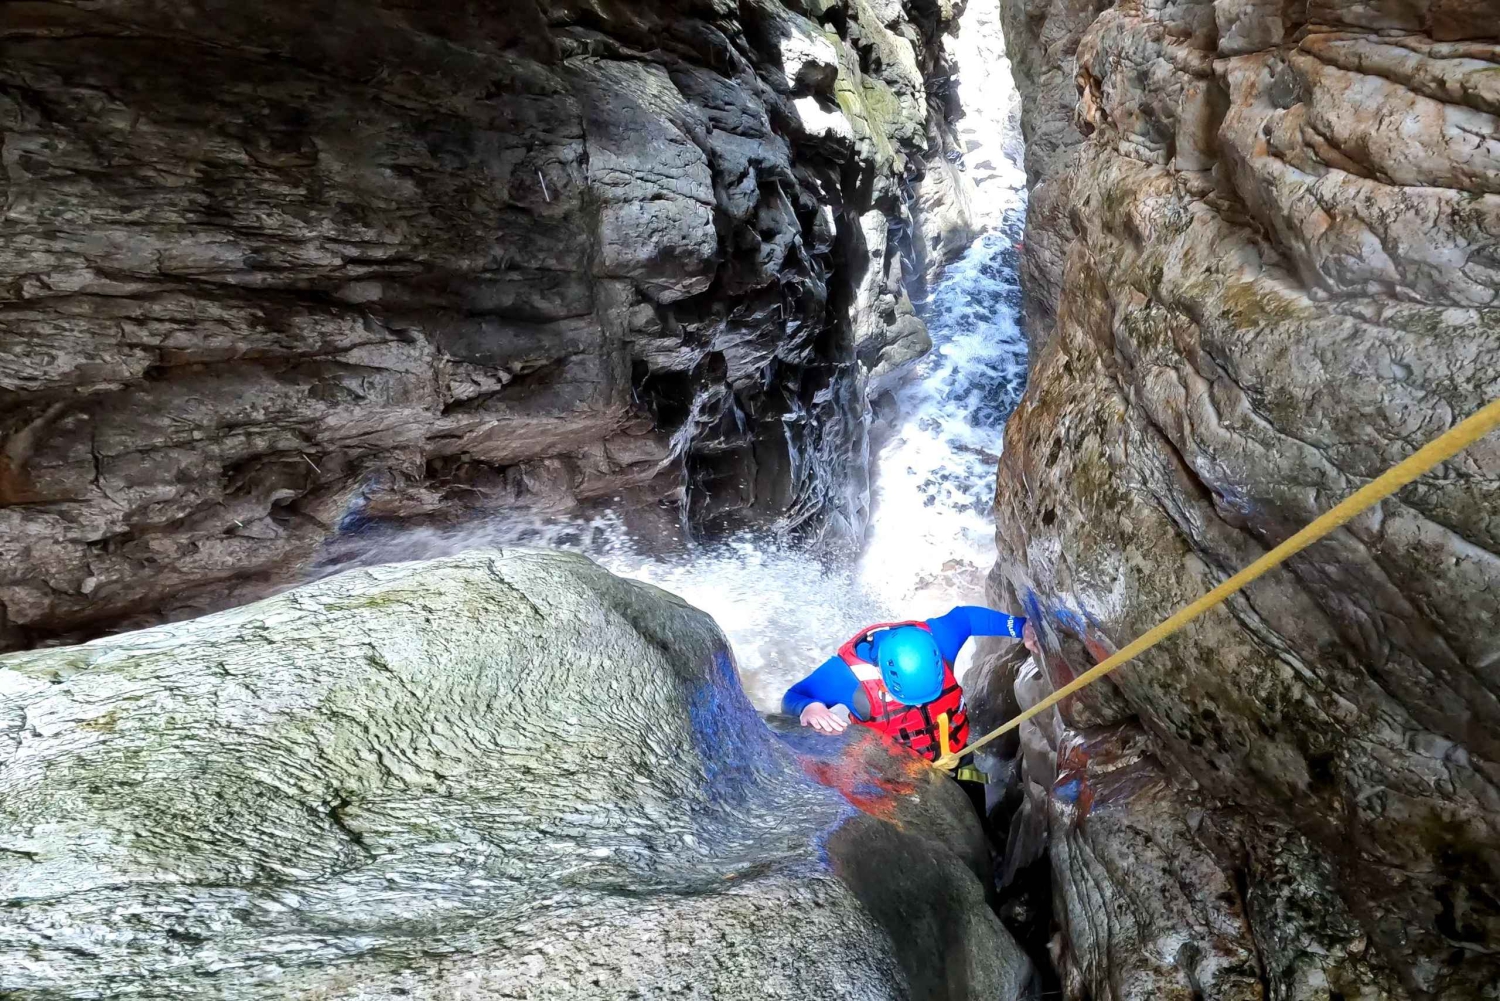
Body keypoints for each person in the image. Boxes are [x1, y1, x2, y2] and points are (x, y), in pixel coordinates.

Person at [782, 606, 1040, 763]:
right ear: (881, 674)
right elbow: (794, 695)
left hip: (959, 755)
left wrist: (1020, 627)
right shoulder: (844, 674)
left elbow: (967, 618)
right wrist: (809, 707)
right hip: (895, 774)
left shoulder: (940, 637)